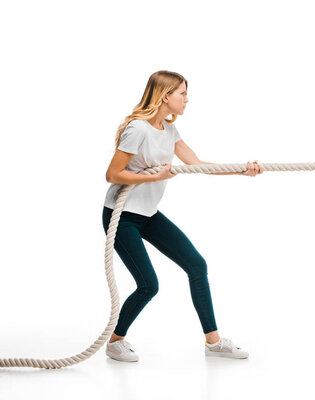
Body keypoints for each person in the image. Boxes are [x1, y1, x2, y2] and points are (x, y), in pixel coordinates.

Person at [103, 70, 263, 362]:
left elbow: (198, 163)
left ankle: (213, 343)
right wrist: (155, 177)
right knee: (149, 285)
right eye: (182, 94)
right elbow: (112, 174)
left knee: (196, 265)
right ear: (165, 96)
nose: (187, 100)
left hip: (148, 214)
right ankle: (115, 341)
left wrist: (241, 169)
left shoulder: (169, 130)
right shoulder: (137, 129)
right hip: (122, 216)